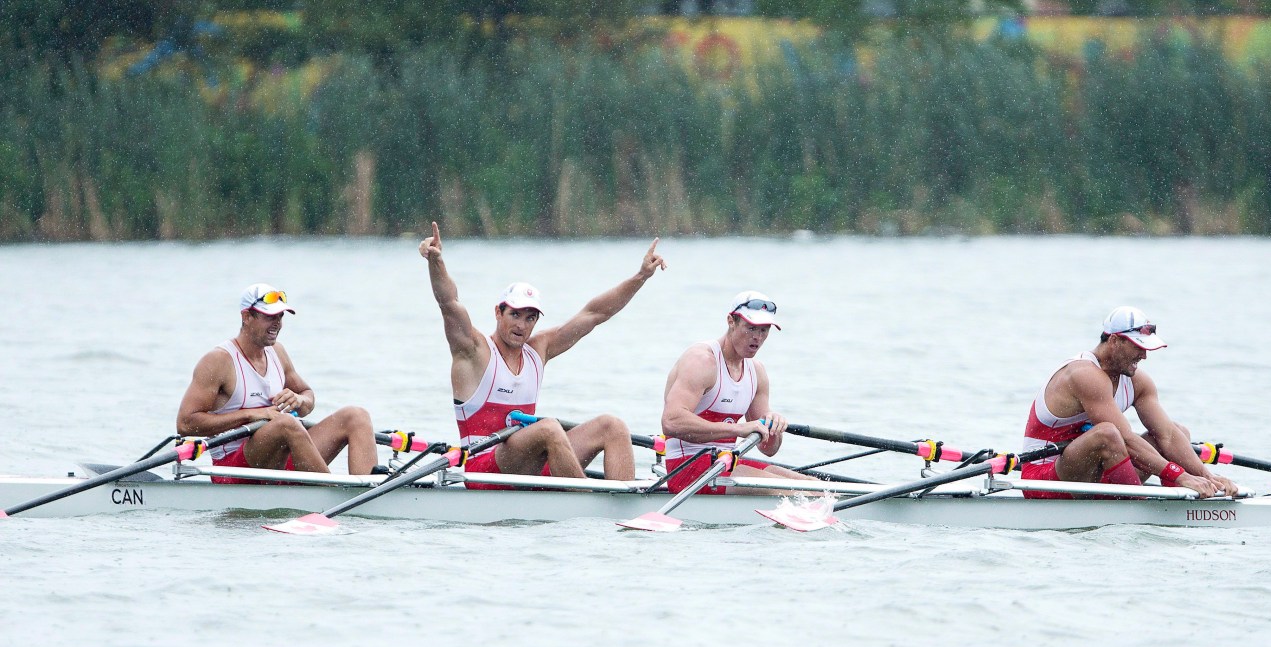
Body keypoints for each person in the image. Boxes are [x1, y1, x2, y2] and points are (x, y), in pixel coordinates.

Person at [418, 221, 665, 489]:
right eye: (514, 315)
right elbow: (449, 303)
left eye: (530, 318)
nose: (521, 325)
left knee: (613, 426)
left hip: (528, 465)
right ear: (498, 313)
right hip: (483, 468)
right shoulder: (473, 350)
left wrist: (640, 277)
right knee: (548, 428)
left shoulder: (539, 349)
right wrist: (436, 262)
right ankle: (590, 506)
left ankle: (624, 507)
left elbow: (595, 314)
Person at [1019, 306, 1238, 499]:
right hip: (1045, 477)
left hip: (1094, 473)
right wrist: (1180, 474)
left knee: (1178, 431)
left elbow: (1168, 436)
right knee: (1107, 434)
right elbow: (1126, 439)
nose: (1144, 356)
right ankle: (1134, 506)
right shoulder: (1083, 374)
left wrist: (1207, 476)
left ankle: (1184, 497)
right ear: (1114, 341)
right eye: (1138, 347)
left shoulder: (1138, 382)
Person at [176, 283, 378, 484]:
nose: (277, 323)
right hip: (233, 471)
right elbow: (185, 424)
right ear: (246, 317)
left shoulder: (277, 353)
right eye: (269, 317)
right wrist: (252, 414)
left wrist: (299, 399)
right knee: (286, 423)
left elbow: (307, 396)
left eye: (280, 316)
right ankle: (333, 493)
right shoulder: (218, 361)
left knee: (356, 416)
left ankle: (370, 491)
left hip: (280, 458)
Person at [659, 291, 809, 495]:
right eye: (751, 328)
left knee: (814, 487)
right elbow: (671, 422)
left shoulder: (757, 372)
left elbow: (768, 450)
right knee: (789, 491)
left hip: (724, 463)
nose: (757, 338)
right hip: (686, 470)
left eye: (764, 330)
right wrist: (738, 430)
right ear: (731, 321)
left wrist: (774, 428)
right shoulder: (702, 361)